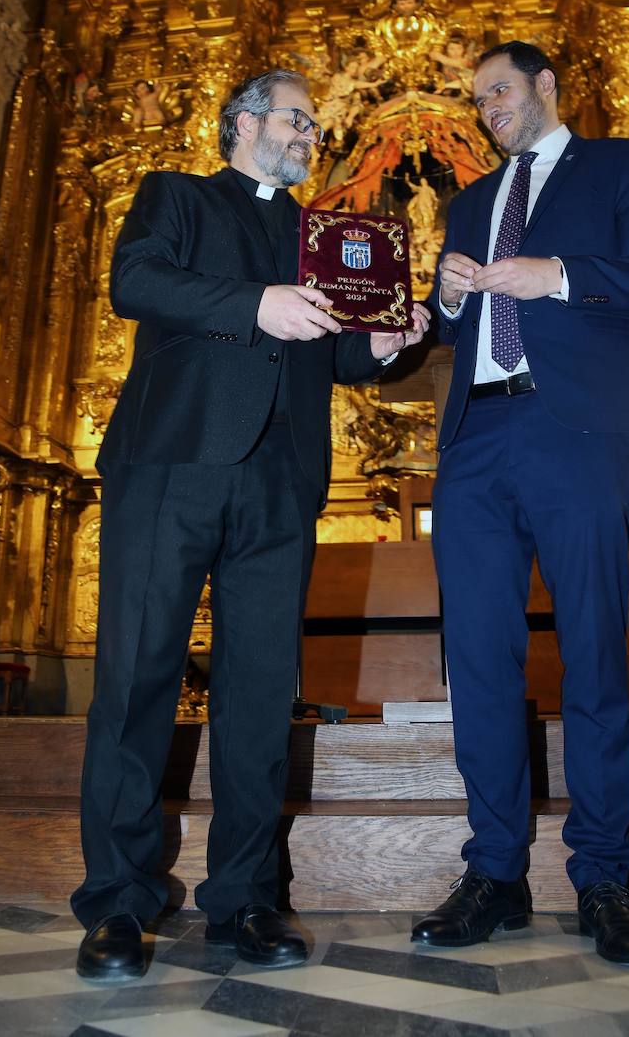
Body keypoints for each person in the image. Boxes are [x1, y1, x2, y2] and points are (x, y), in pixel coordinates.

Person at [73, 68, 430, 982]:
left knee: (262, 694)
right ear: (242, 123)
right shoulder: (178, 197)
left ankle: (245, 899)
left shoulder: (320, 233)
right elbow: (136, 281)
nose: (314, 134)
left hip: (282, 478)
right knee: (138, 677)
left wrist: (386, 345)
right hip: (173, 465)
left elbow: (339, 349)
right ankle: (117, 904)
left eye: (316, 124)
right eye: (298, 118)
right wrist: (253, 304)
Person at [413, 41, 629, 966]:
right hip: (476, 442)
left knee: (592, 655)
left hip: (576, 430)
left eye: (501, 89)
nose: (488, 106)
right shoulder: (469, 203)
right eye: (478, 97)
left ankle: (606, 875)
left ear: (545, 87)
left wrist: (556, 273)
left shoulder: (618, 164)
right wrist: (447, 295)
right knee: (480, 664)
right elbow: (452, 326)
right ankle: (494, 872)